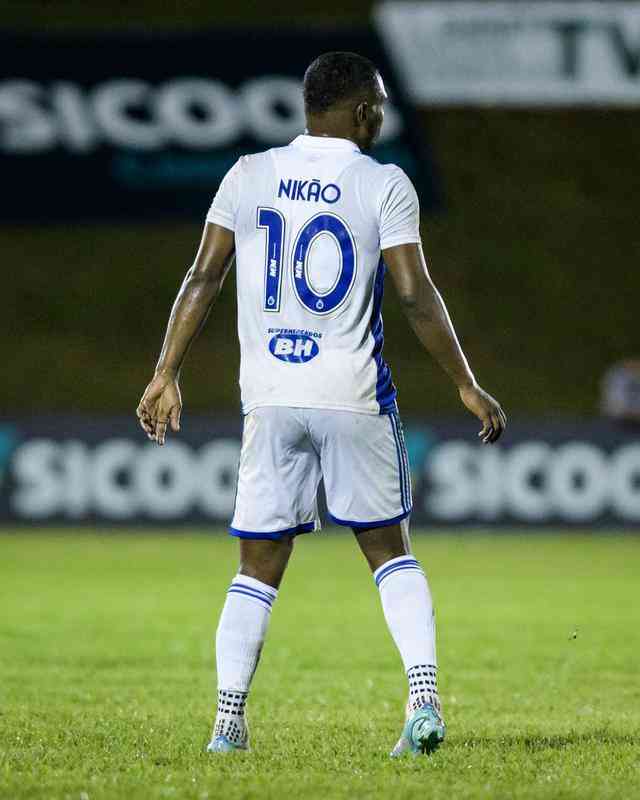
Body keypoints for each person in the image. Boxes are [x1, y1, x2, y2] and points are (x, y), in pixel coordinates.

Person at [136, 51, 506, 757]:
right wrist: (464, 380)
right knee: (390, 553)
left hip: (271, 399)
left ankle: (227, 724)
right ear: (364, 111)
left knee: (256, 569)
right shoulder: (383, 183)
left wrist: (165, 371)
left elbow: (202, 276)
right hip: (353, 396)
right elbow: (413, 293)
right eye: (382, 105)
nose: (384, 115)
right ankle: (423, 700)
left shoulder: (248, 174)